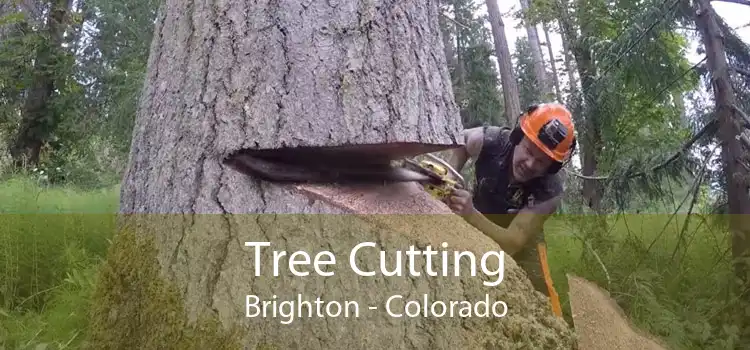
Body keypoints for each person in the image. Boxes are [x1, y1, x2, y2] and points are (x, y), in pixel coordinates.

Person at [443, 103, 577, 318]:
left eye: (541, 162)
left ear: (551, 167)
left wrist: (469, 214)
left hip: (521, 244)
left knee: (543, 300)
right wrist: (449, 177)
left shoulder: (549, 192)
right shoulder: (492, 140)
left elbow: (513, 243)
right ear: (517, 137)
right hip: (479, 219)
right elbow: (462, 141)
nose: (530, 164)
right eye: (528, 151)